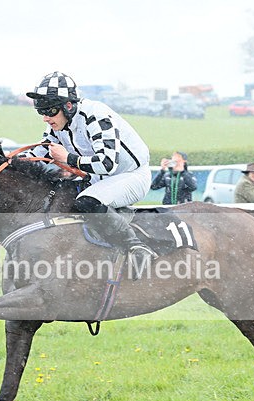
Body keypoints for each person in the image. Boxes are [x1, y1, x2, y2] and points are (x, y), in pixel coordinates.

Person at [22, 71, 155, 278]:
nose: (45, 118)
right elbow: (36, 153)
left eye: (49, 111)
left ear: (68, 105)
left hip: (131, 175)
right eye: (41, 112)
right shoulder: (58, 125)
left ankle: (137, 248)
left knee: (87, 202)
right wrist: (4, 162)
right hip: (99, 179)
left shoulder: (96, 114)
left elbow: (107, 163)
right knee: (58, 196)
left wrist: (68, 158)